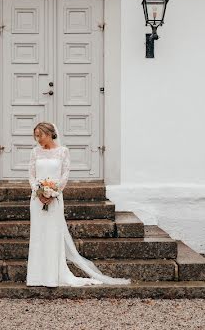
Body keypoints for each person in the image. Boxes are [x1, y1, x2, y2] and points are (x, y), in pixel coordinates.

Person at [25, 121, 130, 287]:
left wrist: (54, 192)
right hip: (37, 200)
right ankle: (36, 277)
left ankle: (53, 276)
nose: (38, 139)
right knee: (38, 236)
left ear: (50, 133)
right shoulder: (35, 152)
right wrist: (38, 192)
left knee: (53, 235)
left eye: (41, 135)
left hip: (55, 199)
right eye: (36, 135)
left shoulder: (63, 152)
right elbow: (31, 174)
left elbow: (64, 175)